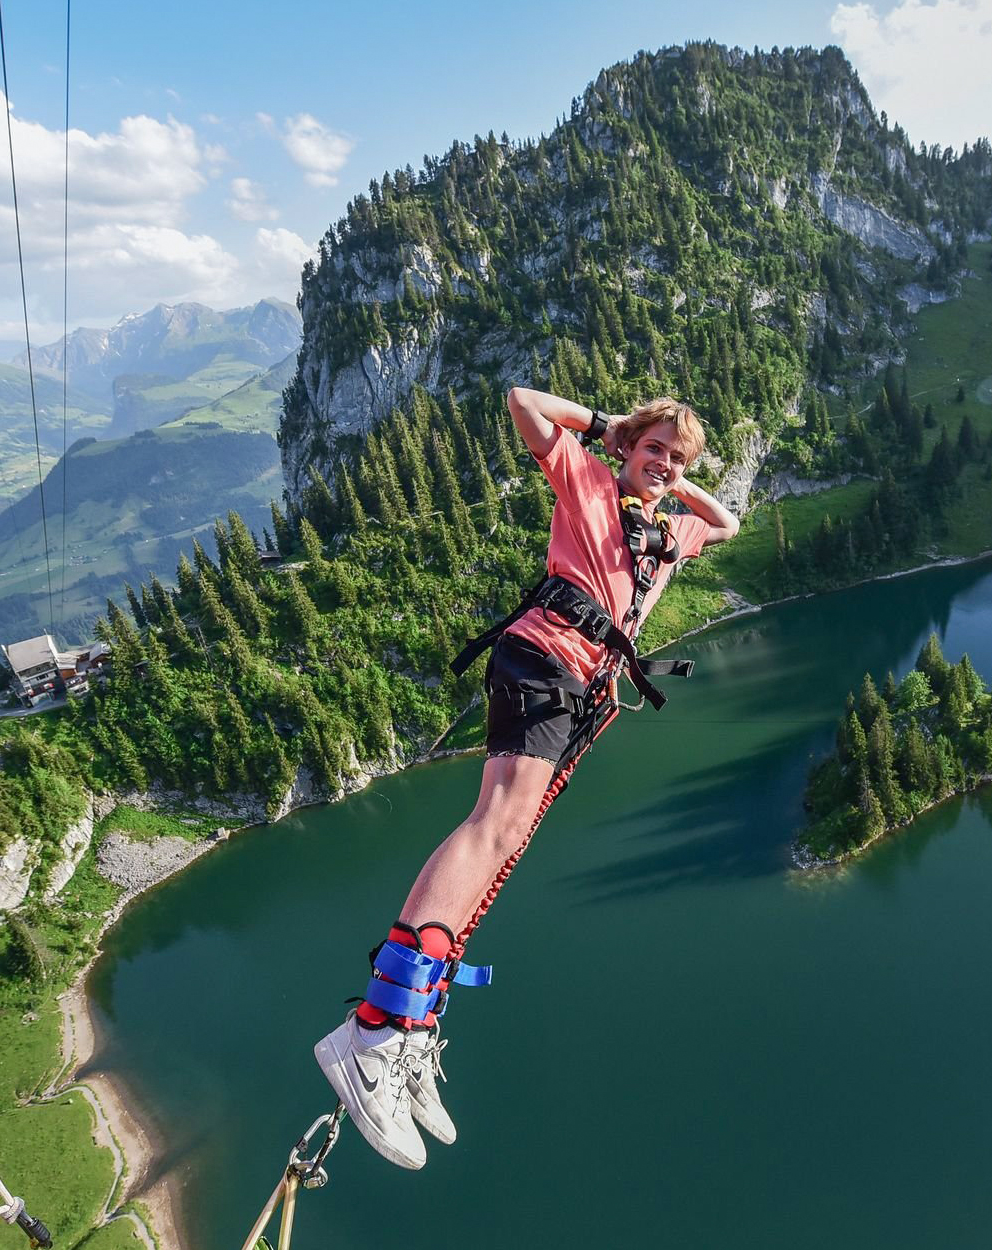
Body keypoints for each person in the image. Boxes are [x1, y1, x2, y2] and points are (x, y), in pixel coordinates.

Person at [313, 386, 740, 1169]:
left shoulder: (669, 531)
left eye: (678, 458)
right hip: (542, 660)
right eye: (655, 449)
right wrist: (612, 429)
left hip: (580, 689)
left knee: (506, 832)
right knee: (494, 826)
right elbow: (524, 404)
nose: (664, 464)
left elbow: (727, 523)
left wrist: (674, 479)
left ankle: (411, 1023)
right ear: (626, 448)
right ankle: (376, 1030)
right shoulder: (587, 480)